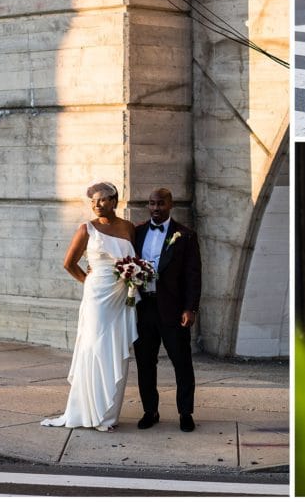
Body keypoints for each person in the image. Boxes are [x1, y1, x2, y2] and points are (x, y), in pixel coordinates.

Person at [42, 181, 138, 432]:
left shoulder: (128, 227)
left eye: (103, 199)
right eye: (93, 201)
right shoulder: (86, 229)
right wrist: (89, 280)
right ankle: (87, 410)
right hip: (97, 297)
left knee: (117, 349)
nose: (97, 204)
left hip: (121, 296)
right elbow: (69, 263)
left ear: (115, 201)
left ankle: (107, 415)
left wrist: (135, 277)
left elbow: (133, 260)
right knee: (95, 347)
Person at [133, 187, 202, 432]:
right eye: (151, 203)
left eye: (160, 204)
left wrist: (190, 308)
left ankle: (185, 413)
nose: (155, 208)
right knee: (145, 363)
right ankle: (150, 411)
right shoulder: (138, 232)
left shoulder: (185, 235)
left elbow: (193, 276)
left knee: (181, 362)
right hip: (144, 307)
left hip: (172, 309)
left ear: (170, 204)